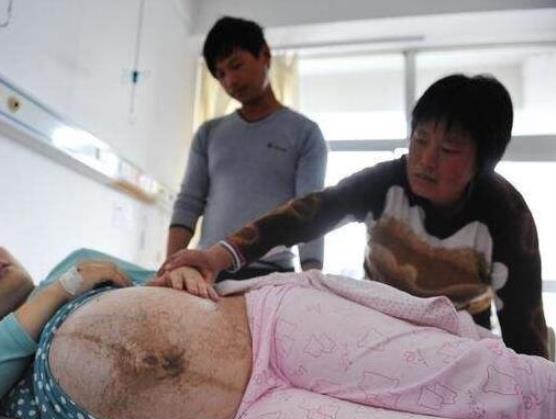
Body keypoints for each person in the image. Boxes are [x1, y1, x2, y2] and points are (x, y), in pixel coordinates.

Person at [0, 235, 556, 419]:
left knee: (480, 376)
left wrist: (186, 273)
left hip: (273, 325)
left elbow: (174, 283)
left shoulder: (80, 258)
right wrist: (59, 293)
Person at [161, 73, 549, 358]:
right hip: (377, 327)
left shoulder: (506, 216)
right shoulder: (386, 181)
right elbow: (305, 215)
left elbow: (524, 332)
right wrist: (215, 257)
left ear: (483, 162)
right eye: (420, 139)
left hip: (457, 343)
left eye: (448, 149)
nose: (425, 160)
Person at [167, 16, 327, 281]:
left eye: (236, 65)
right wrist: (171, 268)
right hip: (208, 272)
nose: (230, 81)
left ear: (265, 55)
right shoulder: (209, 133)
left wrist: (313, 276)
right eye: (220, 74)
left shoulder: (305, 134)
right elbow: (188, 202)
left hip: (273, 275)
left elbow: (309, 210)